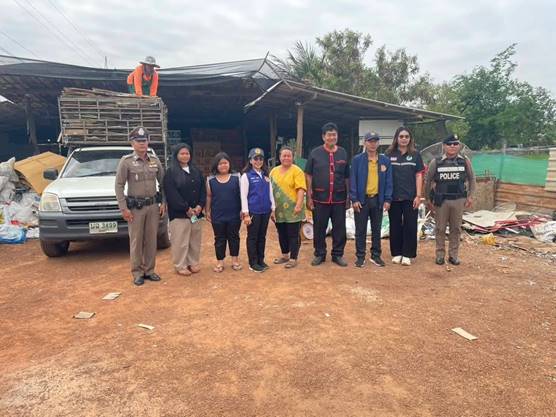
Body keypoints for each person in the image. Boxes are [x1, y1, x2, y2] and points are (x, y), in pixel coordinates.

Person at [115, 126, 165, 286]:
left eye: (144, 140)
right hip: (135, 208)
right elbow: (119, 185)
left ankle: (149, 270)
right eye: (138, 141)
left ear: (148, 142)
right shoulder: (126, 161)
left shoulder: (154, 160)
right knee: (136, 240)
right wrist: (123, 208)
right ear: (132, 143)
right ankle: (137, 272)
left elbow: (163, 183)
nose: (142, 144)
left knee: (151, 239)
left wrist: (163, 202)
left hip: (152, 206)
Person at [425, 134, 476, 266]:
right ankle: (440, 255)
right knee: (440, 228)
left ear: (459, 146)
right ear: (444, 146)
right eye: (449, 144)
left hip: (459, 200)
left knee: (456, 229)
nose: (452, 146)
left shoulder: (464, 161)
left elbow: (472, 178)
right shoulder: (436, 162)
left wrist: (470, 196)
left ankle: (453, 256)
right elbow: (428, 180)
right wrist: (428, 199)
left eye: (455, 144)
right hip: (441, 201)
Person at [305, 122, 350, 267]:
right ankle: (320, 254)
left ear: (337, 136)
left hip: (339, 198)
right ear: (323, 137)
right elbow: (308, 175)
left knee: (339, 228)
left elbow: (347, 176)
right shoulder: (315, 153)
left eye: (334, 135)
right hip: (320, 198)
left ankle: (337, 254)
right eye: (329, 135)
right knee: (319, 227)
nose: (332, 137)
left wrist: (348, 196)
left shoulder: (343, 152)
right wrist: (309, 196)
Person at [349, 132, 393, 267]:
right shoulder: (357, 160)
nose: (373, 144)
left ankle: (376, 255)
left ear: (378, 143)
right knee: (360, 230)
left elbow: (389, 181)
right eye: (370, 141)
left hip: (377, 199)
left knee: (376, 229)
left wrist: (387, 199)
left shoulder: (385, 161)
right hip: (362, 200)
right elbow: (353, 180)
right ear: (365, 143)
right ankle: (360, 256)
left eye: (375, 141)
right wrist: (354, 199)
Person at [163, 143, 206, 276]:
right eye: (182, 153)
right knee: (180, 241)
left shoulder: (196, 171)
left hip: (196, 213)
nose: (185, 156)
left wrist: (200, 205)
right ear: (176, 155)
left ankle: (193, 262)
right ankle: (180, 265)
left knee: (194, 240)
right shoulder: (171, 173)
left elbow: (202, 190)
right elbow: (172, 194)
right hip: (179, 213)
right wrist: (186, 208)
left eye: (187, 153)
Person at [386, 127, 425, 266]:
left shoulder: (415, 155)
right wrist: (386, 196)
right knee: (395, 225)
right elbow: (384, 175)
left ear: (410, 139)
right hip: (393, 197)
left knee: (410, 225)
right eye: (401, 136)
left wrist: (418, 196)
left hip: (410, 197)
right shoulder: (388, 154)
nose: (404, 139)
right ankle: (397, 253)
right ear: (396, 138)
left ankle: (408, 254)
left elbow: (419, 175)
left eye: (406, 136)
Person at [269, 146, 307, 269]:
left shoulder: (297, 171)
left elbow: (301, 189)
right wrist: (271, 208)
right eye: (284, 155)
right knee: (282, 233)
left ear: (292, 157)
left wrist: (299, 205)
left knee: (293, 234)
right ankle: (285, 255)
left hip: (293, 208)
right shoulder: (273, 171)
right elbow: (269, 190)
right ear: (279, 157)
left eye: (289, 155)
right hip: (278, 210)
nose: (286, 158)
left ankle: (293, 258)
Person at [205, 152, 243, 273]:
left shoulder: (237, 177)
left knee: (234, 237)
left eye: (225, 163)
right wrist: (207, 211)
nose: (223, 166)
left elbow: (242, 195)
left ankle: (235, 261)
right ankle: (220, 262)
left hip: (234, 214)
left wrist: (243, 209)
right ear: (216, 166)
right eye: (220, 164)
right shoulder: (210, 180)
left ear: (229, 164)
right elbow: (209, 196)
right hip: (218, 215)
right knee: (219, 238)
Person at [240, 148, 276, 273]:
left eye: (260, 159)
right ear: (250, 160)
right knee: (253, 237)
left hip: (265, 211)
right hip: (253, 212)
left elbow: (270, 193)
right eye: (255, 159)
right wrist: (246, 214)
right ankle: (253, 262)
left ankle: (261, 260)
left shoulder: (266, 176)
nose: (258, 161)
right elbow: (243, 196)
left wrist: (273, 208)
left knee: (262, 236)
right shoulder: (246, 176)